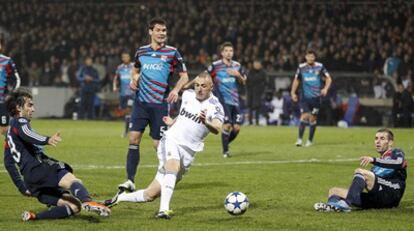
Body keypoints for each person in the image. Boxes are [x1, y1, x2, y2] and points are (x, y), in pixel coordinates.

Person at [105, 72, 223, 219]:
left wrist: (206, 122)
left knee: (150, 194)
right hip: (171, 139)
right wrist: (173, 122)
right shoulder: (187, 94)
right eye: (197, 85)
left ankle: (120, 198)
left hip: (189, 151)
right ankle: (163, 210)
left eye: (203, 86)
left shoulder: (215, 106)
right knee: (173, 166)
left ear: (211, 87)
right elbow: (184, 113)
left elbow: (217, 128)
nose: (199, 89)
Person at [3, 89, 110, 221]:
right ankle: (88, 201)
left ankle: (33, 217)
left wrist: (22, 187)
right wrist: (46, 139)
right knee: (73, 181)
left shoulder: (9, 136)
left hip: (31, 181)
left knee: (74, 206)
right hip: (39, 169)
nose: (33, 109)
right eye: (29, 105)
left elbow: (8, 163)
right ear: (19, 107)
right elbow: (27, 133)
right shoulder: (20, 122)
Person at [118, 18, 189, 192]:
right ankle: (130, 180)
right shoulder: (141, 51)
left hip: (160, 105)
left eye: (164, 30)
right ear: (150, 32)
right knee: (133, 138)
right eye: (158, 30)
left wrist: (176, 90)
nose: (162, 33)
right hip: (141, 103)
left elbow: (184, 76)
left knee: (158, 145)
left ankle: (169, 176)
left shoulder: (172, 52)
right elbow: (135, 70)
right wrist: (134, 78)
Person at [314, 128, 407, 212]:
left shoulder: (396, 153)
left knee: (361, 171)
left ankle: (346, 204)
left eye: (382, 139)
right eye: (376, 138)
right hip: (377, 198)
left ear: (390, 142)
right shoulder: (375, 167)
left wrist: (374, 160)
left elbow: (398, 163)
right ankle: (333, 207)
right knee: (334, 191)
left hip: (391, 194)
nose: (377, 142)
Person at [207, 42, 247, 158]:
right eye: (227, 51)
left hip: (235, 100)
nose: (229, 53)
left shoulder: (237, 66)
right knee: (227, 125)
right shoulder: (215, 66)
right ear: (222, 53)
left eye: (231, 51)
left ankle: (225, 144)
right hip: (222, 100)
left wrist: (237, 75)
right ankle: (226, 152)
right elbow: (205, 77)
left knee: (237, 128)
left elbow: (243, 81)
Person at [290, 49, 332, 147]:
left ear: (315, 57)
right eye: (309, 56)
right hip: (304, 96)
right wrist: (293, 93)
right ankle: (299, 140)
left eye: (312, 56)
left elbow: (329, 78)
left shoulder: (320, 66)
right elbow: (296, 80)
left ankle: (309, 140)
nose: (310, 58)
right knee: (304, 116)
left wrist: (325, 88)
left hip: (316, 97)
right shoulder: (301, 67)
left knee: (312, 119)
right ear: (306, 57)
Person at [0, 40, 21, 134]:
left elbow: (17, 79)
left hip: (1, 101)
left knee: (4, 130)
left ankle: (10, 147)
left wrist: (11, 94)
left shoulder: (6, 61)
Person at [113, 52, 135, 137]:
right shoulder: (120, 68)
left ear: (129, 57)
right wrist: (115, 87)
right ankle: (128, 129)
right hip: (123, 94)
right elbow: (116, 79)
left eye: (127, 57)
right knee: (125, 112)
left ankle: (127, 131)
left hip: (132, 93)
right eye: (124, 57)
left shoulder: (134, 66)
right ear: (122, 58)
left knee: (129, 110)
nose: (125, 58)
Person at [247, 60, 268, 125]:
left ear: (260, 65)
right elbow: (247, 81)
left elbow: (266, 82)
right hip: (250, 92)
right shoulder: (250, 71)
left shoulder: (263, 72)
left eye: (258, 64)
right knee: (249, 107)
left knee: (257, 108)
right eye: (255, 64)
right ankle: (250, 122)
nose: (256, 65)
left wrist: (263, 91)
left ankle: (257, 122)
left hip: (259, 92)